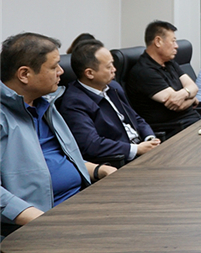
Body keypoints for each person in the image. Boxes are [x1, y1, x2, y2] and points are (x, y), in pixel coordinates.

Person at [1, 33, 116, 237]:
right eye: (54, 67)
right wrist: (41, 220)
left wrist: (99, 169)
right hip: (39, 226)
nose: (61, 71)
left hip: (79, 205)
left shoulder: (45, 104)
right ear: (24, 74)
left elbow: (59, 159)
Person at [57, 40, 159, 165]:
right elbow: (92, 145)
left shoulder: (113, 87)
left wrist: (150, 138)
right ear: (89, 73)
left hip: (141, 149)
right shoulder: (74, 102)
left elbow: (135, 118)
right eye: (109, 66)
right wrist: (136, 149)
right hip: (121, 161)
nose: (114, 69)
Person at [125, 21, 201, 139]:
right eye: (173, 41)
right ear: (158, 41)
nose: (176, 46)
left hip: (192, 123)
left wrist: (185, 93)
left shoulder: (170, 63)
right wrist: (192, 97)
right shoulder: (144, 71)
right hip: (175, 131)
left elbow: (194, 87)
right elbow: (178, 104)